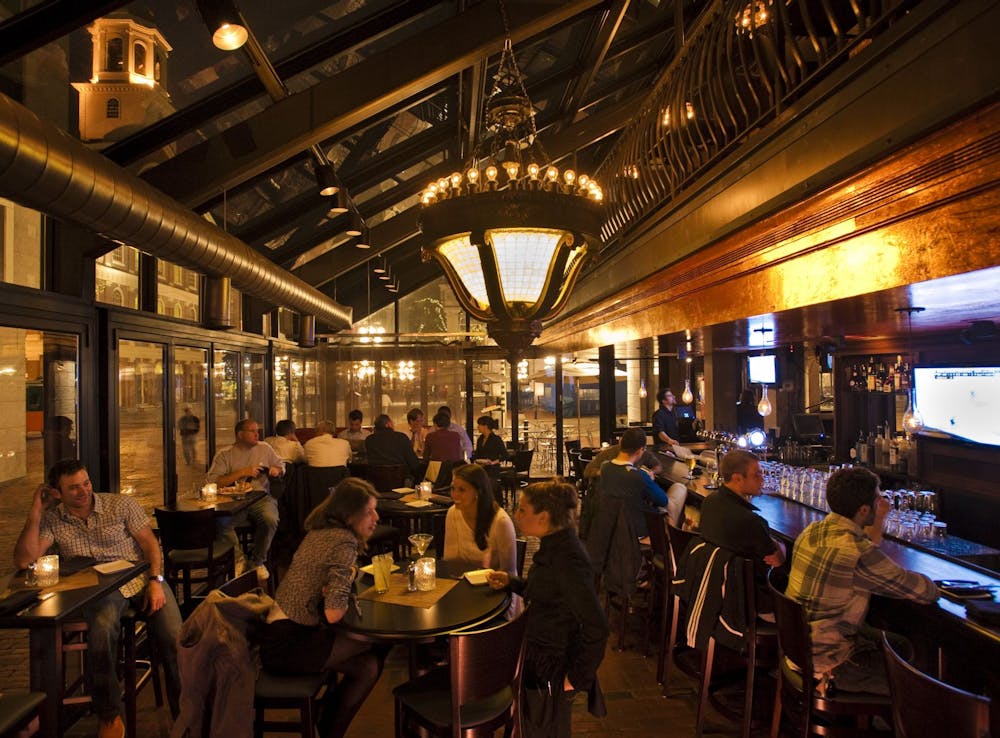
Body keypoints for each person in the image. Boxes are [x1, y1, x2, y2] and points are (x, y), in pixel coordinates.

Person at [13, 459, 181, 738]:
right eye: (73, 488)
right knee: (101, 632)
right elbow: (24, 560)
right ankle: (109, 715)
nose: (83, 491)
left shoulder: (120, 505)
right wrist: (36, 511)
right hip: (101, 591)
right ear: (57, 493)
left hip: (140, 578)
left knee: (176, 638)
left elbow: (151, 545)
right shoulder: (54, 519)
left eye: (86, 483)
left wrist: (156, 582)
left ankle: (187, 711)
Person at [785, 467, 938, 695]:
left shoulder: (812, 531)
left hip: (796, 652)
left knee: (900, 645)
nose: (882, 503)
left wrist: (879, 520)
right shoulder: (857, 552)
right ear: (865, 509)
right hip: (831, 665)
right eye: (878, 499)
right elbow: (924, 593)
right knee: (919, 681)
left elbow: (864, 548)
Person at [260, 478, 385, 738]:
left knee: (369, 667)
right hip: (288, 645)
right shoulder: (343, 542)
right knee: (381, 640)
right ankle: (328, 721)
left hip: (282, 633)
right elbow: (333, 612)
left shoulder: (320, 531)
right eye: (368, 511)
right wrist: (347, 576)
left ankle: (328, 720)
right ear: (350, 515)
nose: (376, 517)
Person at [487, 479, 608, 737]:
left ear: (543, 517)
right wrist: (513, 583)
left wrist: (574, 680)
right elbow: (549, 593)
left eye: (522, 510)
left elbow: (597, 626)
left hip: (552, 666)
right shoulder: (555, 545)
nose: (516, 515)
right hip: (538, 657)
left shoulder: (569, 558)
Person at [698, 449, 785, 614]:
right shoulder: (751, 521)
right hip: (752, 604)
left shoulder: (709, 503)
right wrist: (782, 549)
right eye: (757, 474)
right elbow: (777, 565)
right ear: (737, 478)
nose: (762, 479)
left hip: (718, 594)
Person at [206, 418, 284, 571]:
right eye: (253, 431)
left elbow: (280, 466)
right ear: (240, 435)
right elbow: (213, 481)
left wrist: (276, 470)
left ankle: (257, 562)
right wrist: (243, 472)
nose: (257, 434)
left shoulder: (265, 448)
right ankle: (238, 559)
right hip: (232, 501)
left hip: (261, 497)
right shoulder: (225, 454)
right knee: (221, 524)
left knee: (270, 519)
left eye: (257, 431)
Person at [598, 428, 668, 540]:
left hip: (612, 528)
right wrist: (649, 480)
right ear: (640, 450)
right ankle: (672, 544)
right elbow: (663, 500)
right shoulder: (639, 476)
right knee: (678, 491)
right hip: (638, 529)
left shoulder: (605, 467)